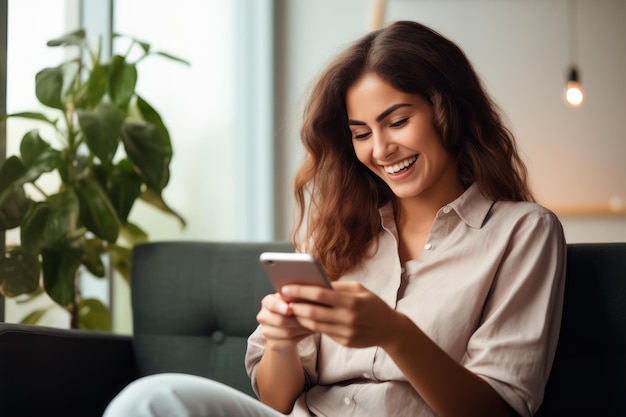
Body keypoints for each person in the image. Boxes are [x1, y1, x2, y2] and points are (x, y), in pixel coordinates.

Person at [103, 20, 566, 417]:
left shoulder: (522, 232)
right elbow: (277, 398)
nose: (381, 150)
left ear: (449, 111)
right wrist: (283, 341)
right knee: (151, 399)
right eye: (361, 133)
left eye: (398, 121)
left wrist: (394, 333)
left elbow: (500, 409)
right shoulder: (343, 232)